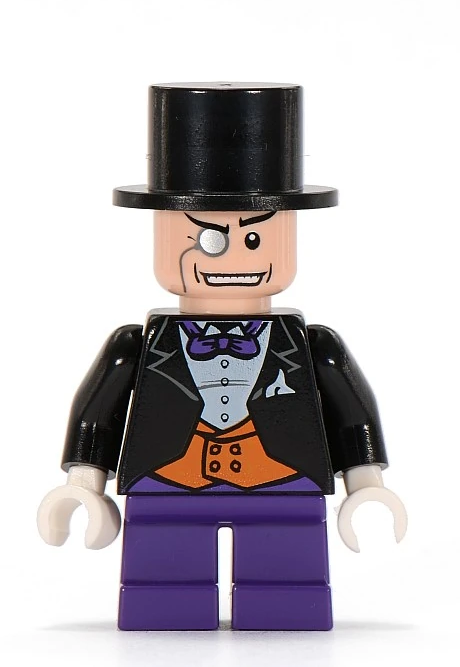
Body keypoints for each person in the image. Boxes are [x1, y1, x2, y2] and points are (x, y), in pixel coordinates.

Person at [37, 82, 407, 631]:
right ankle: (168, 609)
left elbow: (351, 410)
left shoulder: (314, 346)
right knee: (163, 588)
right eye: (209, 239)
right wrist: (83, 484)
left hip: (282, 483)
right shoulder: (135, 345)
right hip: (168, 483)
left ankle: (281, 608)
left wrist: (367, 485)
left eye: (255, 239)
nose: (231, 255)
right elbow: (100, 409)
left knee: (287, 586)